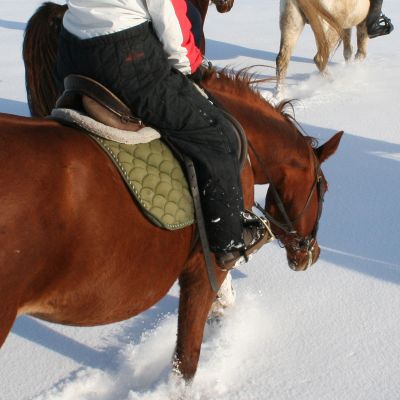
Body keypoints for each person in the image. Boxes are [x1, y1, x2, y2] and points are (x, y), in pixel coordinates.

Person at [56, 0, 270, 269]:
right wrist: (189, 68)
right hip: (125, 55)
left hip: (71, 49)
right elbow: (169, 14)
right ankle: (230, 240)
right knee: (217, 135)